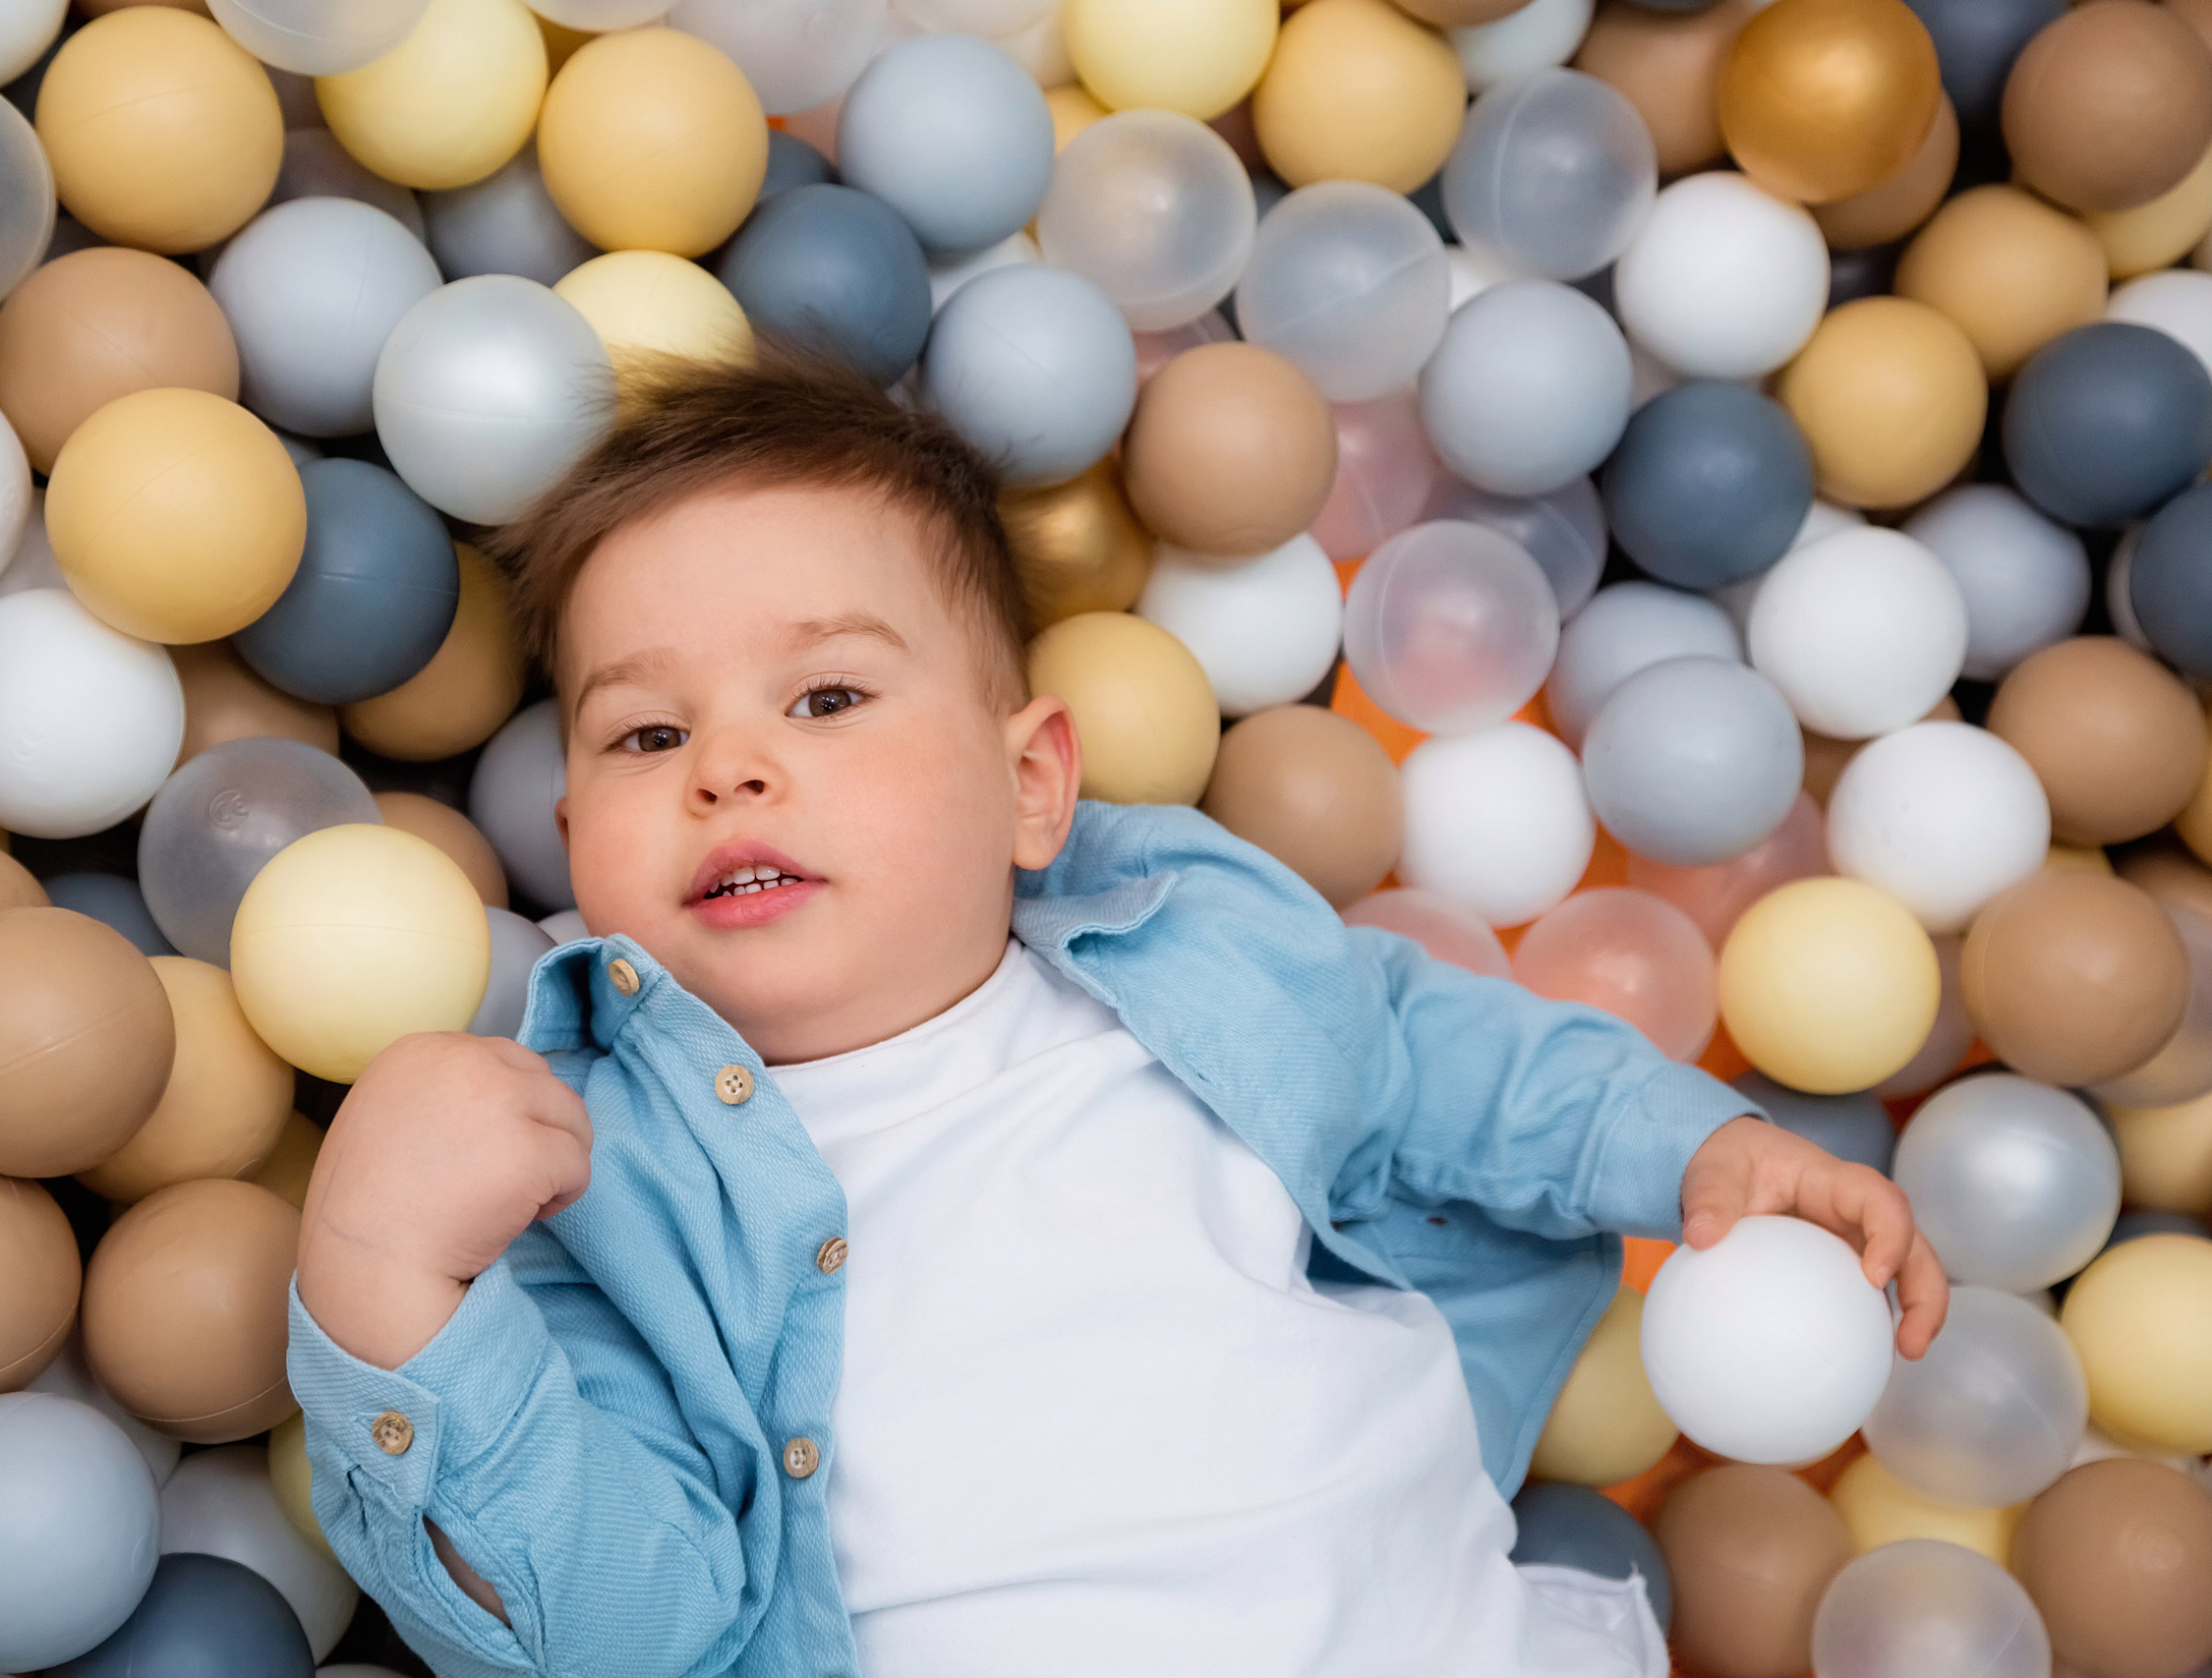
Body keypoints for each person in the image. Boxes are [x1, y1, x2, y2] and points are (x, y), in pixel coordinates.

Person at [286, 350, 1948, 1678]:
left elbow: (1427, 1054)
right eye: (645, 738)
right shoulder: (598, 1198)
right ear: (578, 848)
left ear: (1028, 788)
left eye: (829, 697)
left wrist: (1694, 1145)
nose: (729, 767)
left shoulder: (1190, 959)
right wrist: (389, 1294)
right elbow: (627, 1635)